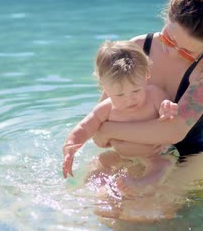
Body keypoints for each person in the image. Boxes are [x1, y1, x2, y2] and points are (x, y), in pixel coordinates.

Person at [92, 0, 203, 168]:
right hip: (129, 149)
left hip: (186, 158)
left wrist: (109, 130)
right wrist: (105, 132)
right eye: (168, 40)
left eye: (186, 52)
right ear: (167, 17)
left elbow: (175, 131)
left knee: (151, 198)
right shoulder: (137, 47)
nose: (172, 52)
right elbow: (100, 119)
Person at [62, 40, 180, 195]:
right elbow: (84, 127)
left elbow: (169, 117)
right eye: (119, 94)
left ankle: (141, 183)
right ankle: (97, 191)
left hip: (153, 154)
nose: (129, 99)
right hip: (121, 154)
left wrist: (167, 109)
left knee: (162, 166)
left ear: (146, 77)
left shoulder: (154, 95)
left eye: (136, 91)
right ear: (105, 88)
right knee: (99, 166)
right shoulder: (106, 108)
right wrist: (70, 147)